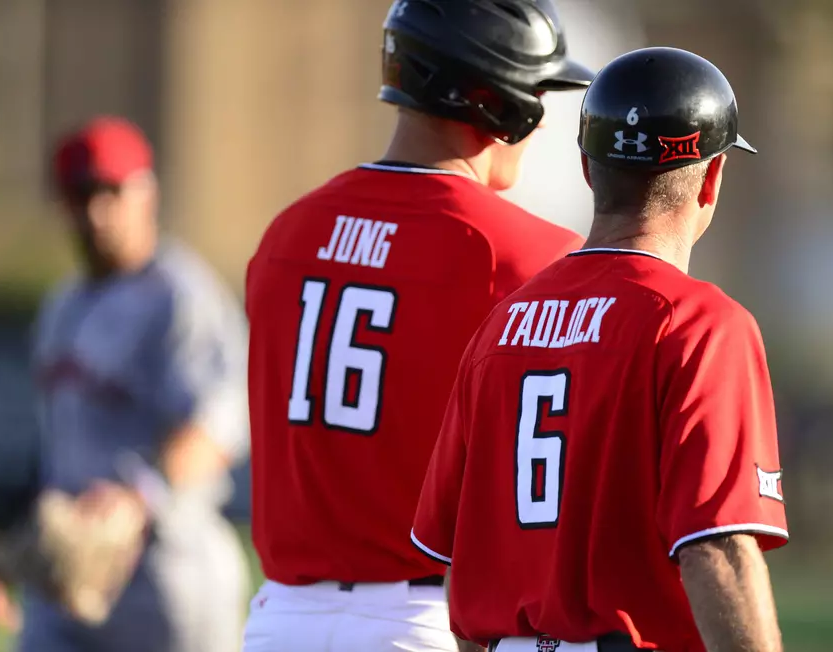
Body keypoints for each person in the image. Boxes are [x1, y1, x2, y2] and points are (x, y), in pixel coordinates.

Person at [411, 47, 789, 652]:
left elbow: (457, 556)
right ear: (711, 178)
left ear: (589, 168)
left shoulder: (502, 324)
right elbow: (717, 548)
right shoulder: (701, 323)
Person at [242, 1, 593, 650]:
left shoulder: (287, 233)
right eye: (539, 93)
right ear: (501, 104)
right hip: (426, 619)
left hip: (280, 620)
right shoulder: (527, 254)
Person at [0, 115, 252, 652]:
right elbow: (57, 445)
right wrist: (15, 536)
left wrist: (137, 496)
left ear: (146, 191)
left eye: (111, 191)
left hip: (167, 574)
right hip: (68, 571)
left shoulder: (181, 297)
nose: (97, 212)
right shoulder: (63, 306)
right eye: (82, 195)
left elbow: (219, 425)